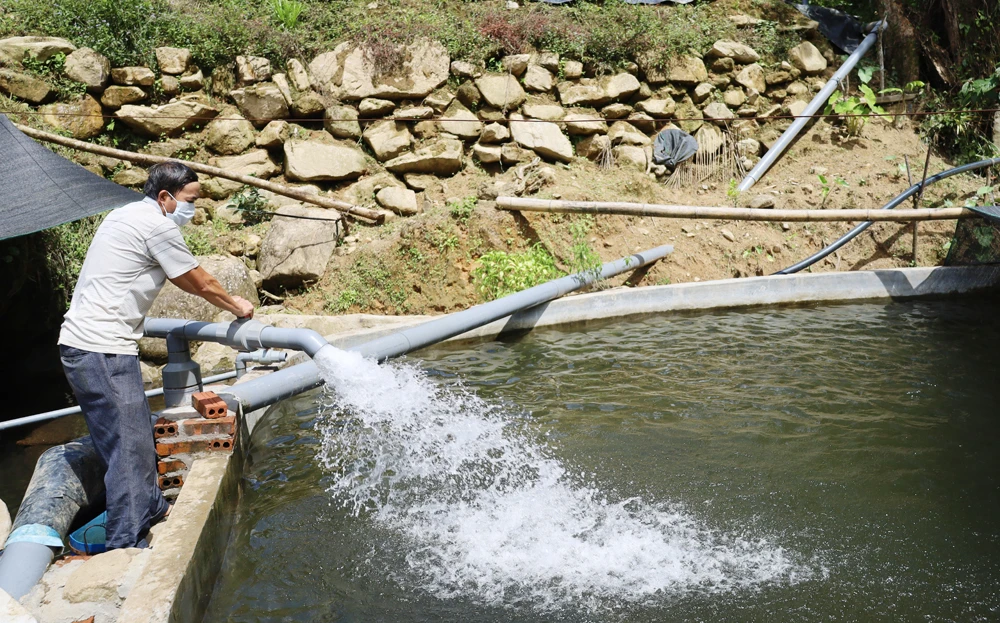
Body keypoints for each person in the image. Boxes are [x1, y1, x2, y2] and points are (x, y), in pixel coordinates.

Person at [57, 161, 254, 550]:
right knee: (129, 451)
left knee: (127, 440)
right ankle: (123, 544)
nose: (192, 210)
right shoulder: (157, 224)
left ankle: (151, 507)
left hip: (83, 346)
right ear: (165, 197)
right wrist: (236, 306)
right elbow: (199, 280)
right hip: (103, 351)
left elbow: (179, 276)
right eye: (190, 201)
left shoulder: (125, 214)